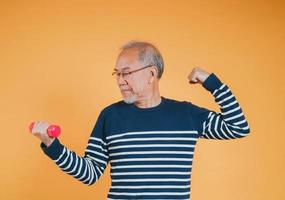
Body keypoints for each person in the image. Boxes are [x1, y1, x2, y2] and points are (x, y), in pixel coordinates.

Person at [31, 41, 251, 200]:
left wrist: (212, 82)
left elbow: (238, 127)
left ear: (151, 74)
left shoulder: (187, 115)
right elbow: (90, 173)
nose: (120, 81)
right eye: (116, 74)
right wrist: (52, 145)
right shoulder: (110, 115)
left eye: (126, 73)